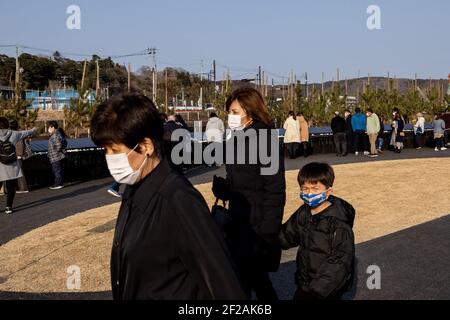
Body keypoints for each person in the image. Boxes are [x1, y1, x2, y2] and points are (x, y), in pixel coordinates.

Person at [90, 94, 246, 300]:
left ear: (145, 146)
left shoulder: (179, 200)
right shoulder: (132, 188)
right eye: (106, 150)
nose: (110, 158)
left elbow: (224, 287)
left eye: (115, 150)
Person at [213, 87, 286, 300]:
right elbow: (242, 180)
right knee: (245, 279)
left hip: (256, 224)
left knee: (256, 280)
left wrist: (267, 232)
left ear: (250, 111)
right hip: (237, 219)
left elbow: (275, 189)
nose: (231, 117)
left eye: (235, 112)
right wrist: (224, 189)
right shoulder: (236, 137)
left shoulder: (266, 140)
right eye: (230, 112)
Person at [279, 162, 355, 300]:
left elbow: (340, 261)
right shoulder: (304, 212)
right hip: (305, 283)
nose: (309, 194)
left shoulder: (338, 223)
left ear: (328, 192)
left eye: (315, 189)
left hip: (325, 290)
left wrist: (318, 291)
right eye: (305, 189)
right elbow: (287, 235)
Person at [0, 117, 37, 214]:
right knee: (11, 186)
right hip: (11, 163)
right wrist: (35, 129)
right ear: (7, 124)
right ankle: (8, 207)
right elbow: (28, 132)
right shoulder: (14, 133)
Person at [9, 119, 29, 193]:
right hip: (16, 155)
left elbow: (20, 144)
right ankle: (19, 187)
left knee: (19, 172)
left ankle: (23, 188)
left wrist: (19, 154)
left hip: (18, 155)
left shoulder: (18, 133)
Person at [47, 121, 67, 189]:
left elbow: (58, 145)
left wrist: (56, 151)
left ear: (52, 127)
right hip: (58, 156)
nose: (48, 128)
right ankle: (60, 183)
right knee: (59, 170)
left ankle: (58, 184)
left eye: (49, 127)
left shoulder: (55, 135)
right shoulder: (56, 134)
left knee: (56, 171)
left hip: (56, 156)